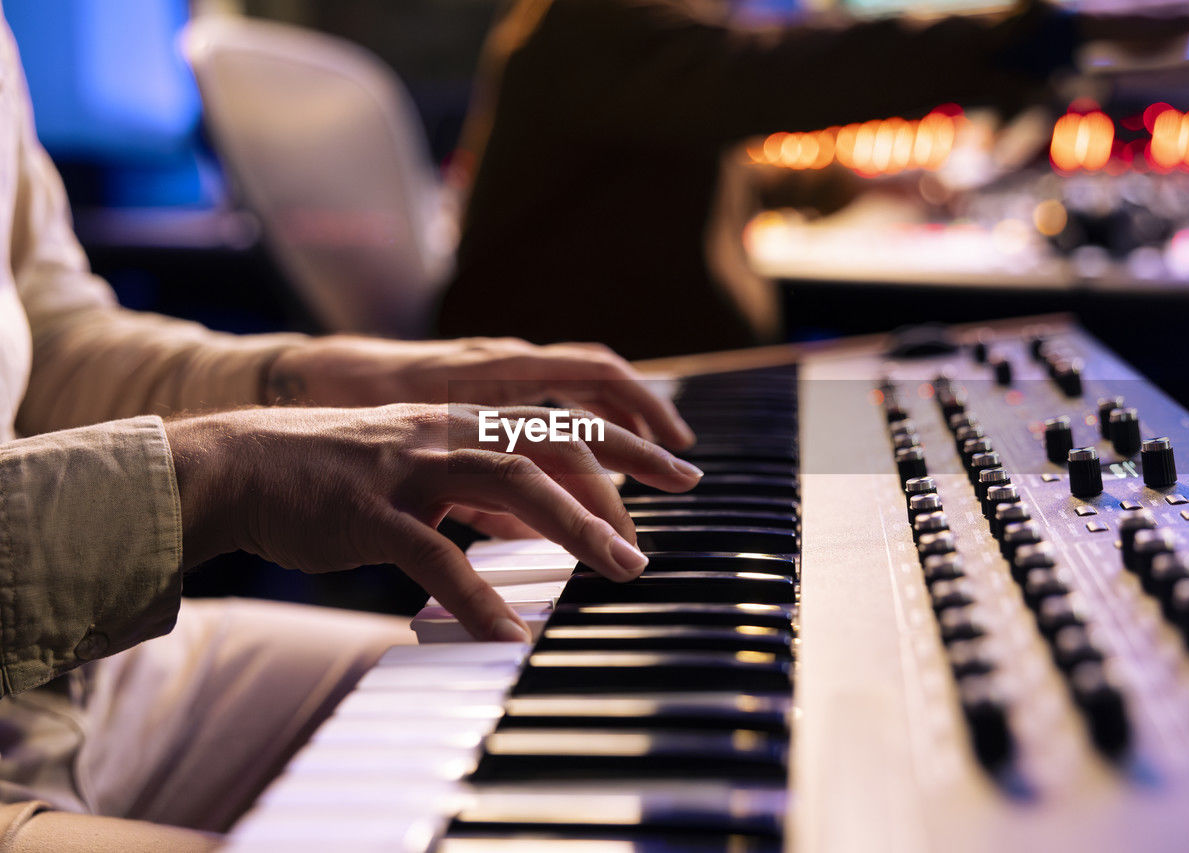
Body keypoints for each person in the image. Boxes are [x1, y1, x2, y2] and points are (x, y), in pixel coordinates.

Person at [0, 14, 699, 851]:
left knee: (593, 709)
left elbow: (48, 344)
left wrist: (330, 379)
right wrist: (222, 470)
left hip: (85, 680)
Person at [436, 0, 1086, 358]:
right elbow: (783, 74)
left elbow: (689, 162)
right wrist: (1035, 39)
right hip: (554, 402)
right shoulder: (592, 23)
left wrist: (857, 185)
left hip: (621, 371)